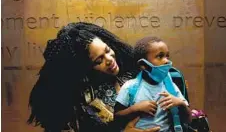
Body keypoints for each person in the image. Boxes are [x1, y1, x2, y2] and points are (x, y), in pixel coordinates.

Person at [27, 22, 160, 132]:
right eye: (98, 61)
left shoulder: (133, 73)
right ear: (85, 70)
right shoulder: (80, 106)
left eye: (107, 50)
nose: (109, 60)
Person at [115, 36, 192, 132]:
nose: (166, 61)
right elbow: (117, 118)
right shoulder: (130, 87)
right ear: (143, 65)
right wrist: (135, 109)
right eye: (160, 56)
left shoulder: (171, 87)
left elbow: (189, 119)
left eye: (167, 56)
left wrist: (180, 104)